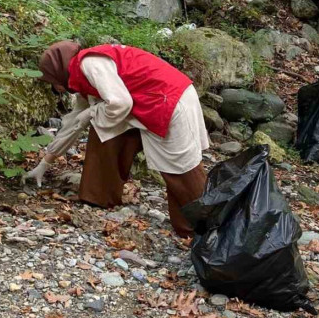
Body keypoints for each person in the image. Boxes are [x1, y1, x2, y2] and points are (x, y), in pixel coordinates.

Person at [24, 41, 210, 238]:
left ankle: (209, 226)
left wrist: (91, 112)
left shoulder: (90, 64)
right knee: (102, 125)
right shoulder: (83, 80)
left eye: (53, 81)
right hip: (147, 103)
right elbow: (73, 125)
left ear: (59, 70)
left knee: (180, 171)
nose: (56, 88)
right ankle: (99, 195)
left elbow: (120, 103)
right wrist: (45, 163)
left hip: (169, 101)